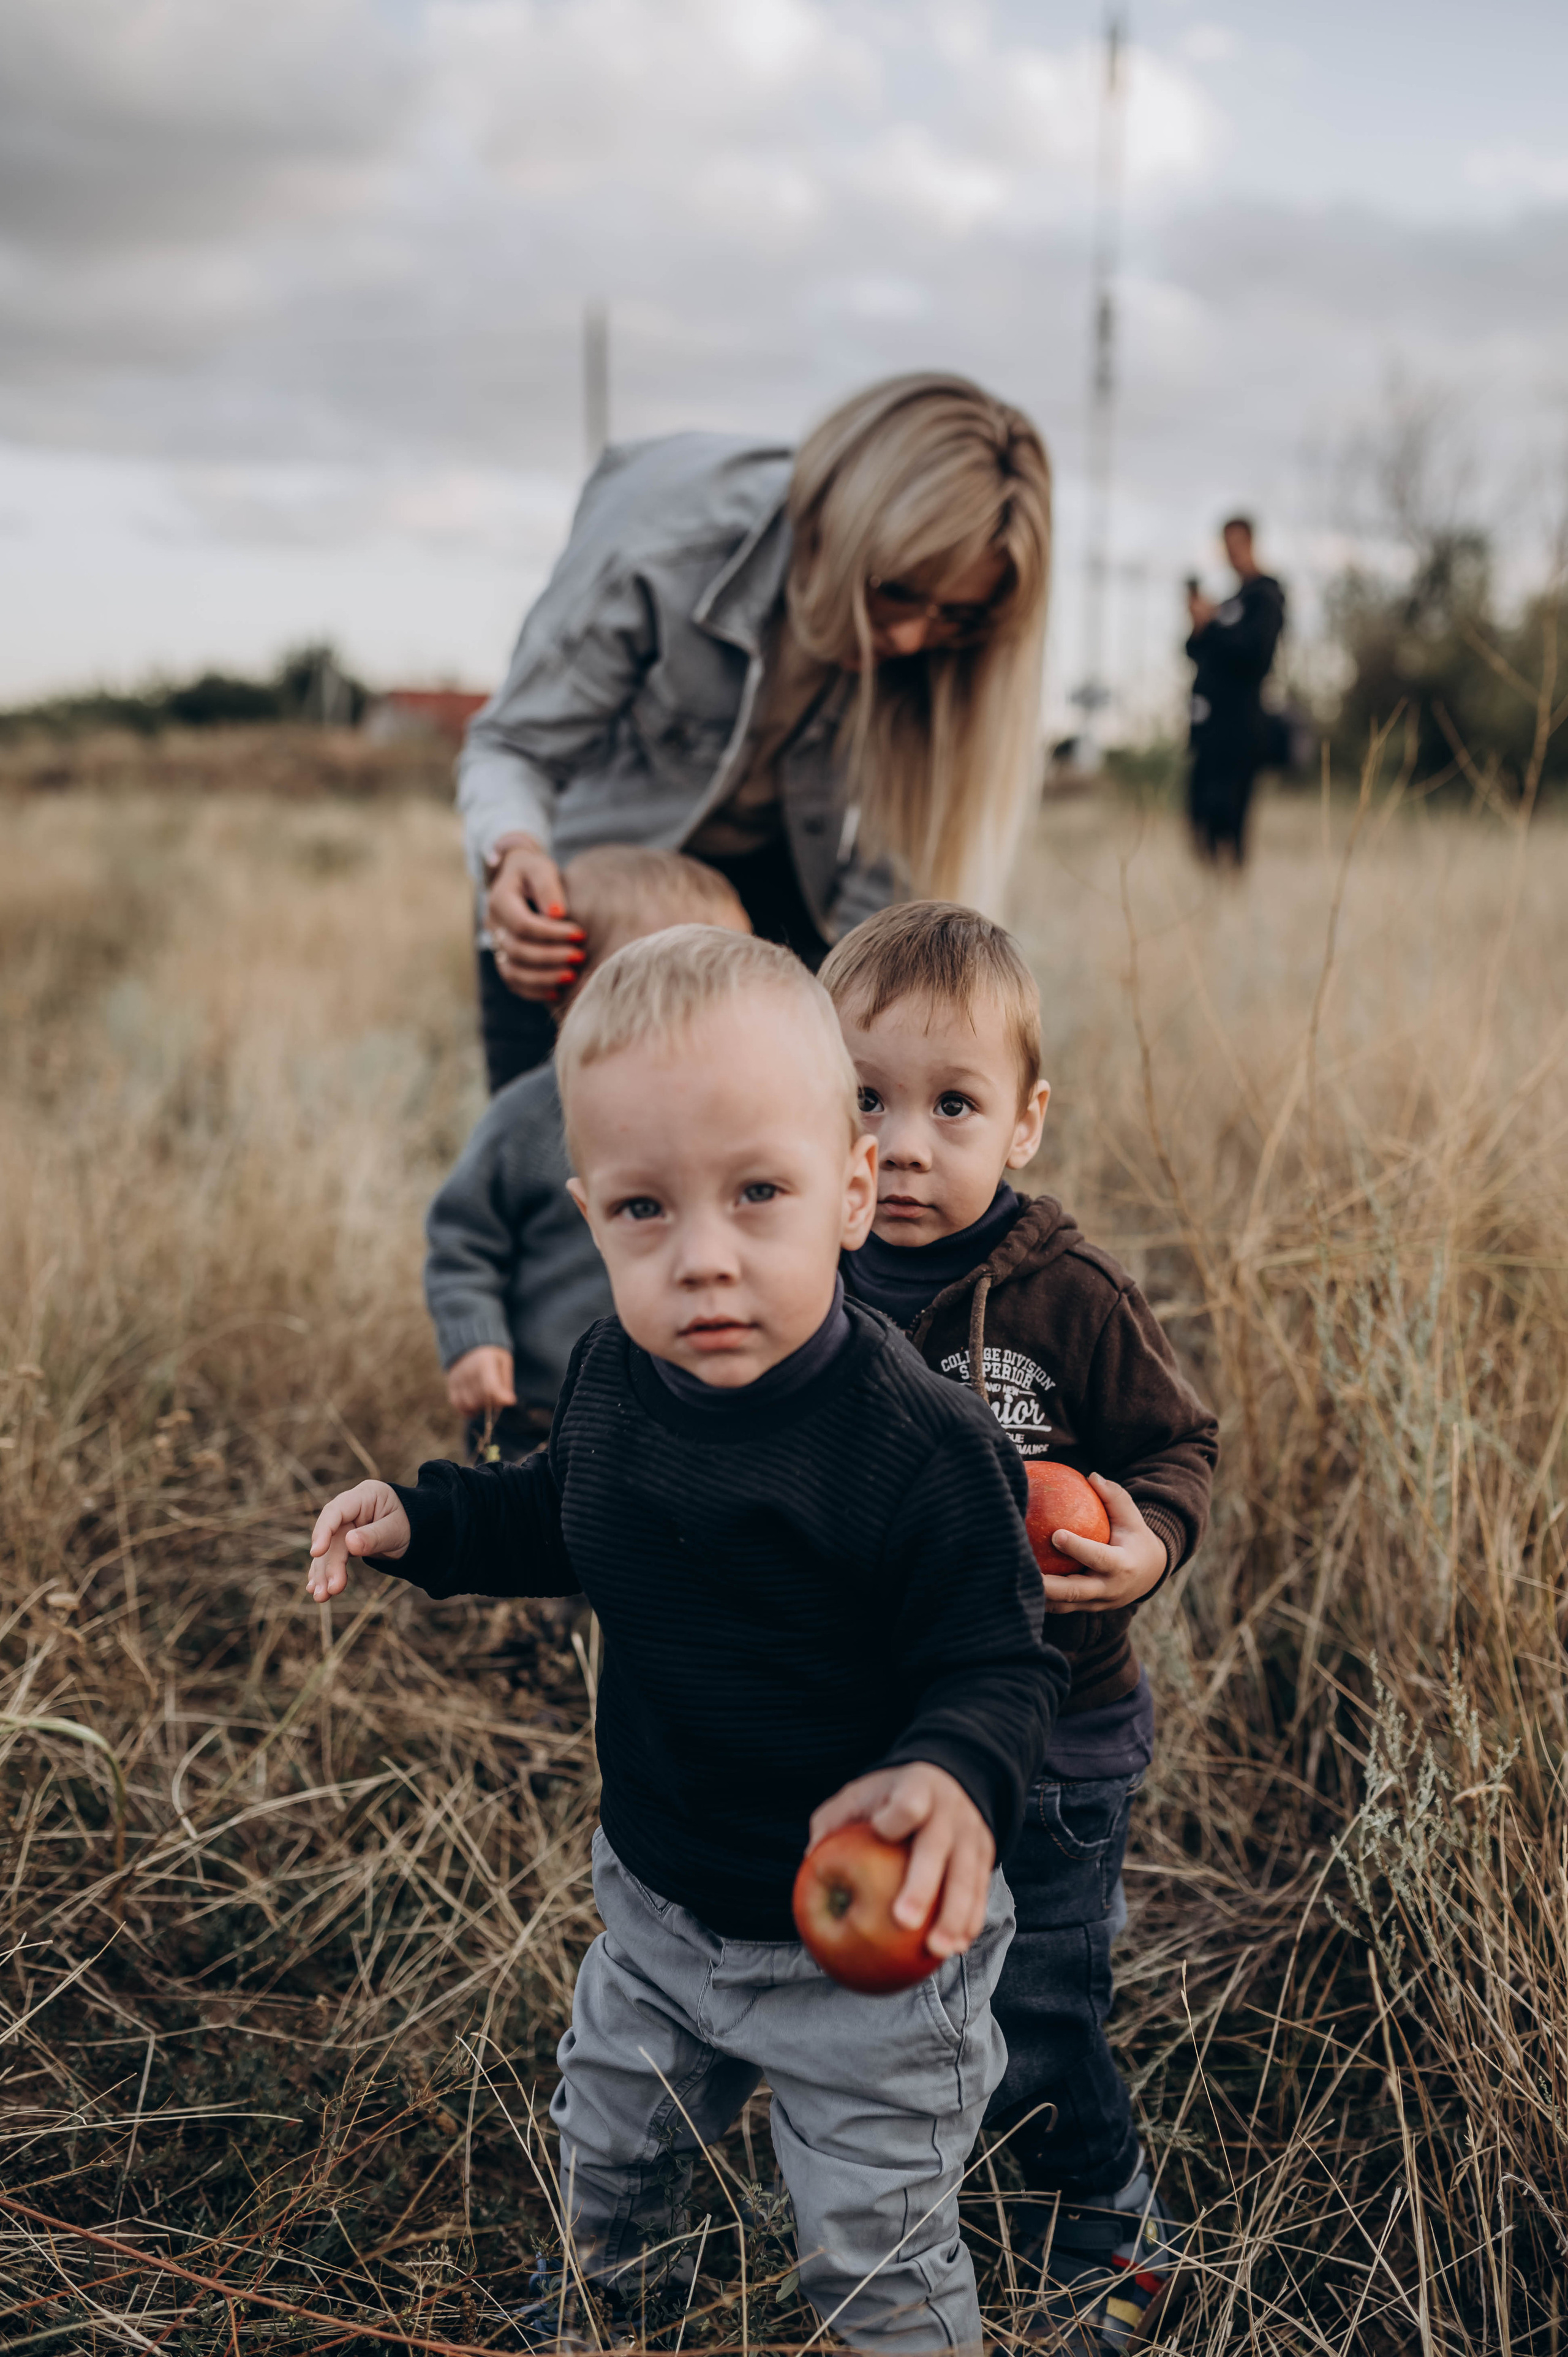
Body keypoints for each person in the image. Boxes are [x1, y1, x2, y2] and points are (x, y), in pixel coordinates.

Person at [306, 926, 1069, 2355]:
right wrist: (427, 1521)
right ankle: (611, 2313)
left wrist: (954, 1773)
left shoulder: (918, 1446)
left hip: (870, 1961)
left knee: (872, 2249)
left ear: (851, 1191)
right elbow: (560, 1510)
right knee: (609, 2156)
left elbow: (998, 1659)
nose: (702, 1258)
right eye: (645, 1208)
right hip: (662, 1905)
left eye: (758, 1193)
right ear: (587, 1215)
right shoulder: (613, 1371)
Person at [821, 901, 1219, 2355]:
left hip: (1057, 1735)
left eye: (952, 1104)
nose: (902, 1143)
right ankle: (904, 2180)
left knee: (1041, 2001)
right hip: (885, 1719)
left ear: (1025, 1121)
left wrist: (1144, 1539)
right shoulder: (806, 1277)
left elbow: (1177, 1445)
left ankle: (1100, 2217)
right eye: (864, 1099)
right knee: (896, 1979)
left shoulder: (1069, 1296)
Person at [459, 371, 1053, 1089]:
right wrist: (514, 852)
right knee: (555, 1128)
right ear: (830, 526)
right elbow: (514, 745)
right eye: (893, 589)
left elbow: (889, 879)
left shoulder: (947, 658)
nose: (905, 637)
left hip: (782, 881)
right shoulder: (663, 543)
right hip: (595, 891)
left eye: (955, 616)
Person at [425, 846, 749, 1463]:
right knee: (525, 1515)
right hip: (537, 1413)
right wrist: (474, 1339)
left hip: (677, 1407)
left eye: (730, 978)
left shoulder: (736, 1122)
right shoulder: (526, 1118)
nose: (713, 1003)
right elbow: (462, 1241)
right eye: (677, 982)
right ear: (574, 990)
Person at [1185, 516, 1286, 866]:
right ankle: (1210, 890)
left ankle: (1231, 888)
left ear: (1251, 543)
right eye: (1227, 547)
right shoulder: (1229, 603)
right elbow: (1196, 653)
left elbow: (1256, 655)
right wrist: (1199, 625)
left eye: (1237, 545)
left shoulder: (1266, 596)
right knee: (1200, 819)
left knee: (1231, 819)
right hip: (1209, 731)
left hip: (1241, 729)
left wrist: (1213, 624)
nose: (1232, 554)